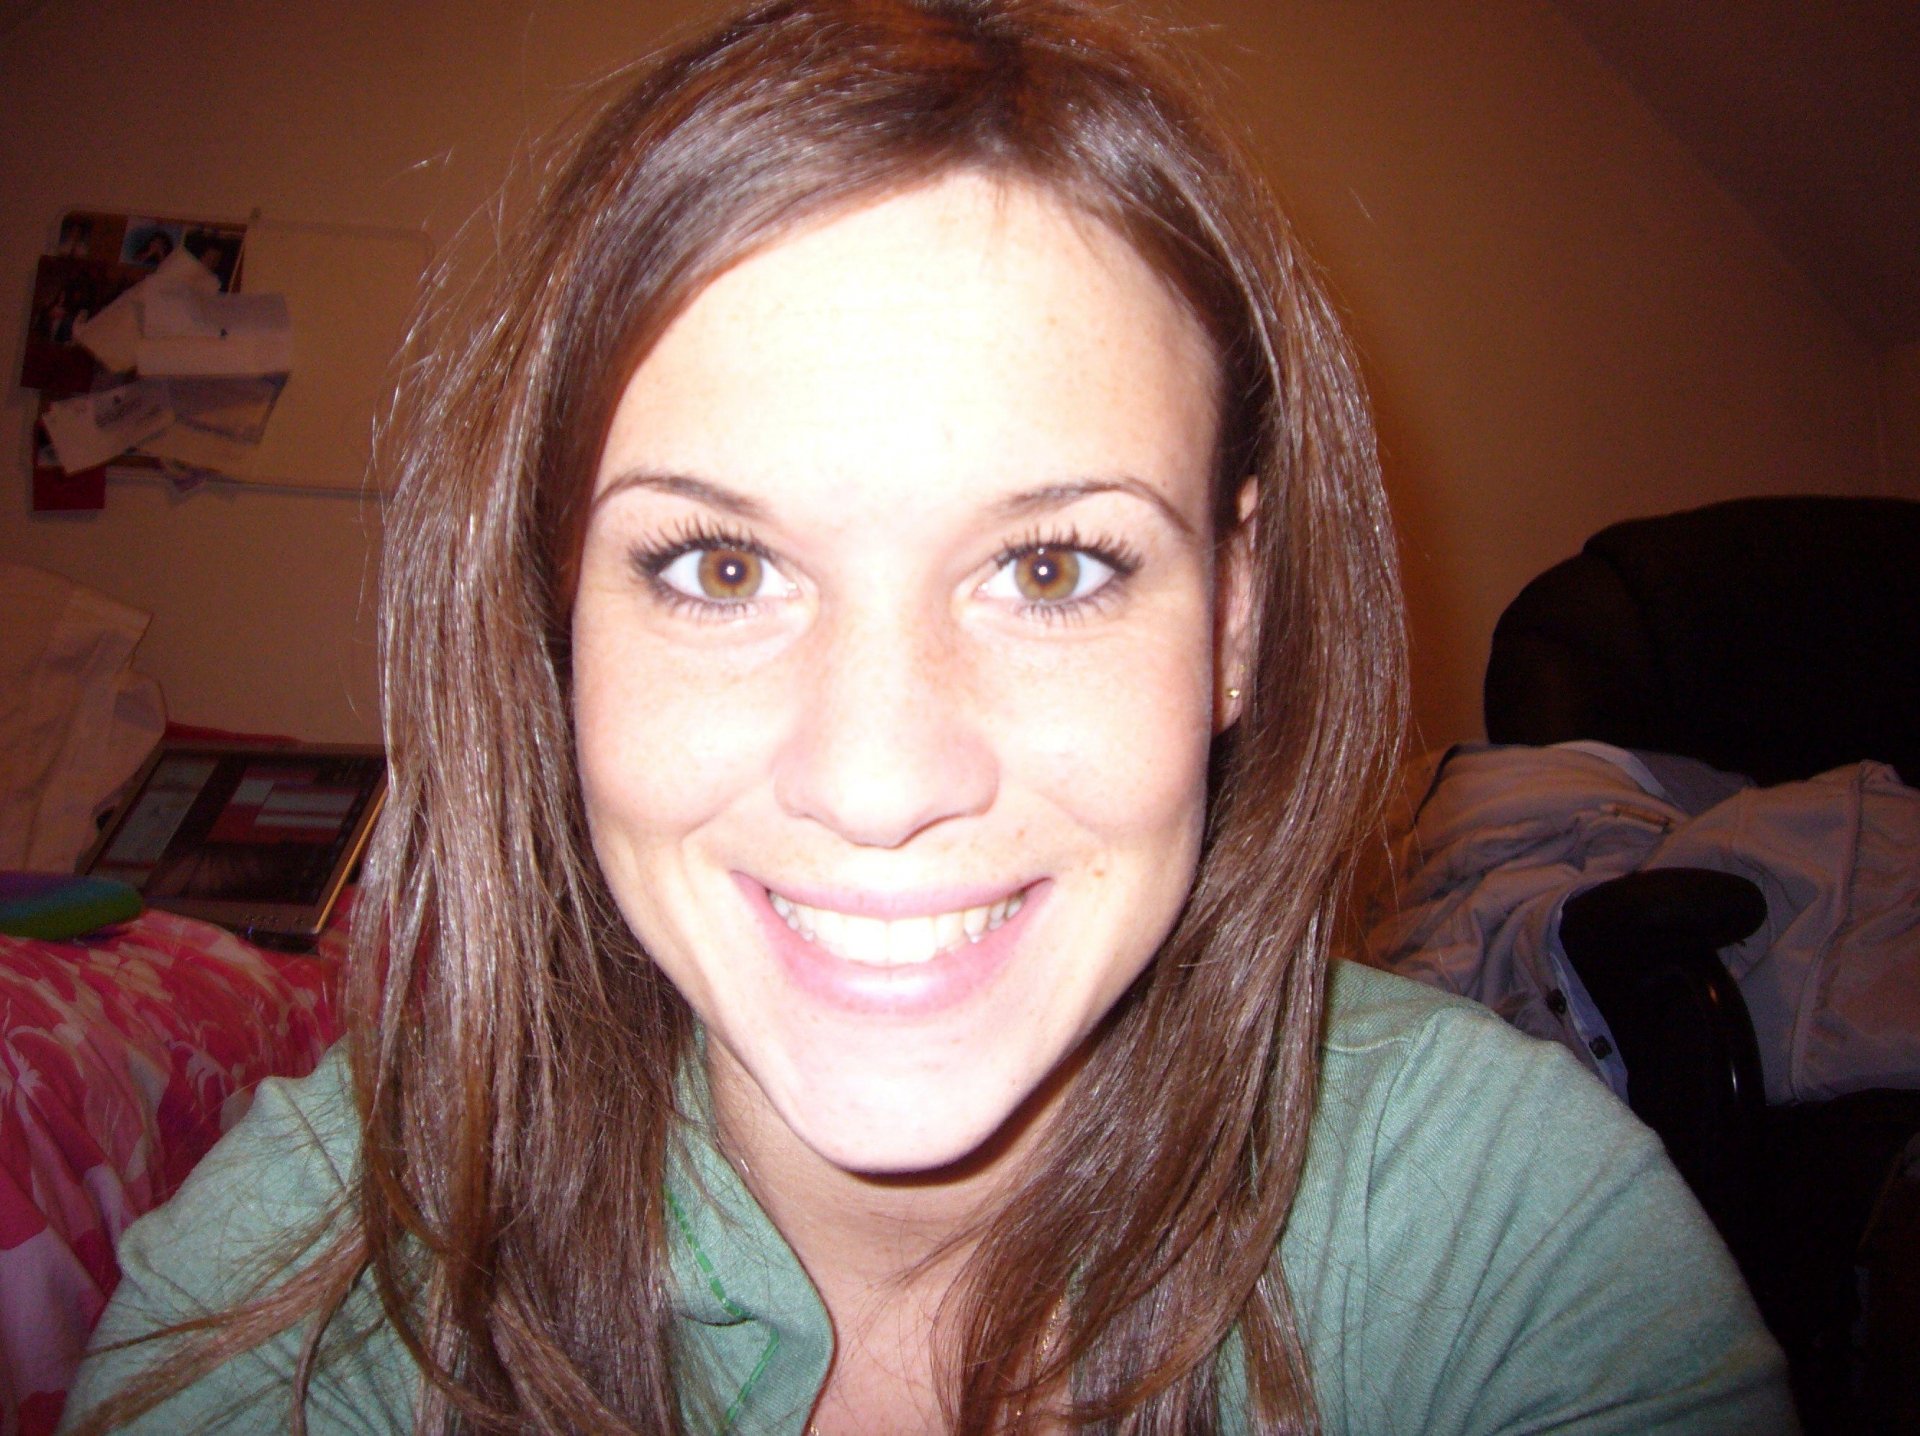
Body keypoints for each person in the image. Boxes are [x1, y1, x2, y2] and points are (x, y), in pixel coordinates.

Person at [62, 1, 1793, 1432]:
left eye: (1049, 568)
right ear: (554, 620)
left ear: (1236, 619)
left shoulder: (1505, 1243)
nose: (880, 780)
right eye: (722, 567)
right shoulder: (320, 1269)